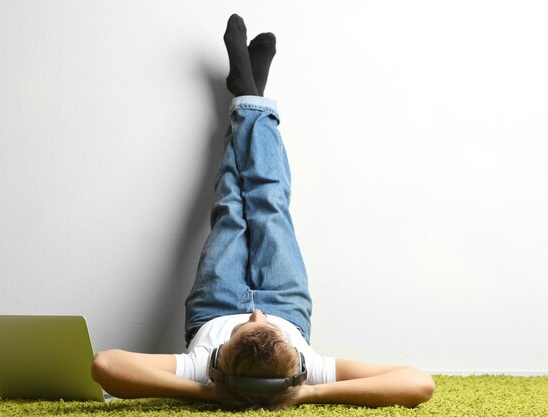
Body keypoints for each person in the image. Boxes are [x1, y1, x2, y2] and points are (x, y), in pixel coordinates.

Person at [91, 14, 435, 410]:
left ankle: (249, 94)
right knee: (268, 200)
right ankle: (249, 93)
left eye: (244, 328)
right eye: (266, 328)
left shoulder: (203, 367)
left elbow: (106, 365)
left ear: (219, 362)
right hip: (286, 300)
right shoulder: (308, 368)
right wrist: (308, 391)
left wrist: (206, 390)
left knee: (231, 201)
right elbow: (418, 383)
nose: (255, 311)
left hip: (216, 302)